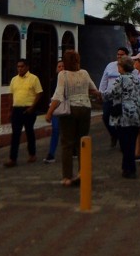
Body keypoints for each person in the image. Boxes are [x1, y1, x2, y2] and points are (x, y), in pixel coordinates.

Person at [45, 49, 101, 186]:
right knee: (82, 141)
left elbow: (58, 95)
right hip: (85, 108)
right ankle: (83, 173)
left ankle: (67, 177)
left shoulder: (63, 75)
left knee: (67, 143)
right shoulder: (84, 73)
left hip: (70, 109)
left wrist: (50, 112)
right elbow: (94, 90)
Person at [105, 54, 140, 178]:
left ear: (122, 67)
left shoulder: (121, 79)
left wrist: (100, 95)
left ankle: (130, 169)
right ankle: (126, 167)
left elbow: (111, 94)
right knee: (131, 142)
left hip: (123, 116)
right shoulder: (137, 79)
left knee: (125, 144)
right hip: (136, 116)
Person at [5, 59, 42, 167]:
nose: (20, 68)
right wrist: (9, 110)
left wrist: (32, 107)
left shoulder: (34, 78)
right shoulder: (14, 80)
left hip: (28, 109)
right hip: (16, 109)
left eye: (22, 66)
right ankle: (12, 158)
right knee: (15, 134)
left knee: (29, 132)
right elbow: (11, 95)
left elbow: (39, 93)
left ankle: (32, 154)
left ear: (27, 67)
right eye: (18, 67)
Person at [98, 47, 129, 148]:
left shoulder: (129, 67)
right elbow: (104, 80)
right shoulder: (110, 66)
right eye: (118, 54)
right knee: (105, 117)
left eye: (122, 54)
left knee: (120, 120)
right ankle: (114, 135)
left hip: (122, 98)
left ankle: (121, 141)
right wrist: (101, 93)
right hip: (109, 97)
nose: (119, 56)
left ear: (126, 55)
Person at [43, 59, 65, 163]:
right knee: (55, 130)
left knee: (68, 132)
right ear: (56, 70)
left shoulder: (70, 80)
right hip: (56, 109)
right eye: (59, 67)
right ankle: (51, 154)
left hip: (68, 109)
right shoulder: (53, 82)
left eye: (63, 66)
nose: (61, 68)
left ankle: (74, 149)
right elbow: (53, 97)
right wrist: (50, 110)